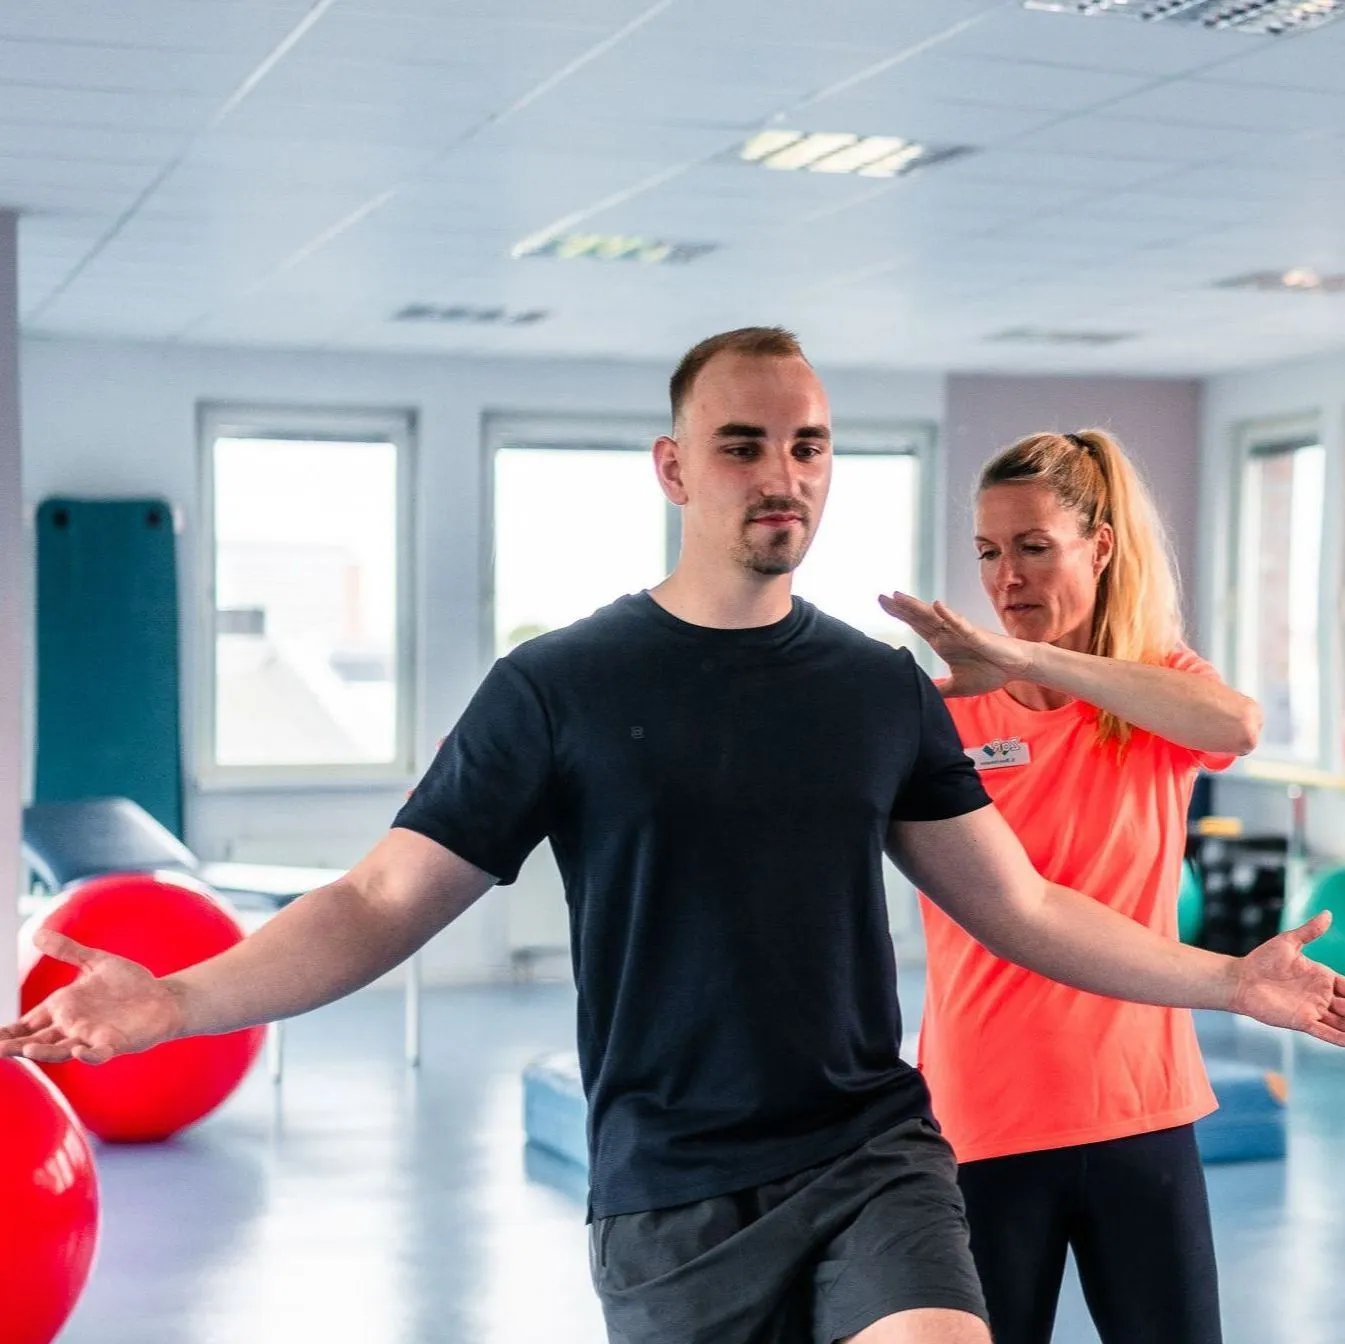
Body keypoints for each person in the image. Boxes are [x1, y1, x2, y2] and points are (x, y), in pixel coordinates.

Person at [4, 335, 1343, 1344]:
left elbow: (1026, 909)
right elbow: (377, 902)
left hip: (875, 1158)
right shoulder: (560, 687)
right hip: (672, 1194)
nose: (784, 475)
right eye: (746, 444)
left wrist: (1226, 978)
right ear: (674, 469)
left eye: (809, 445)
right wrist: (178, 997)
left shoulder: (879, 689)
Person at [879, 427, 1262, 1344]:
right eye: (987, 552)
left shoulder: (1153, 690)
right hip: (985, 1115)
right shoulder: (944, 709)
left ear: (1099, 547)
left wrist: (1032, 661)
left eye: (1032, 548)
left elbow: (1236, 725)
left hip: (1142, 1106)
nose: (1004, 577)